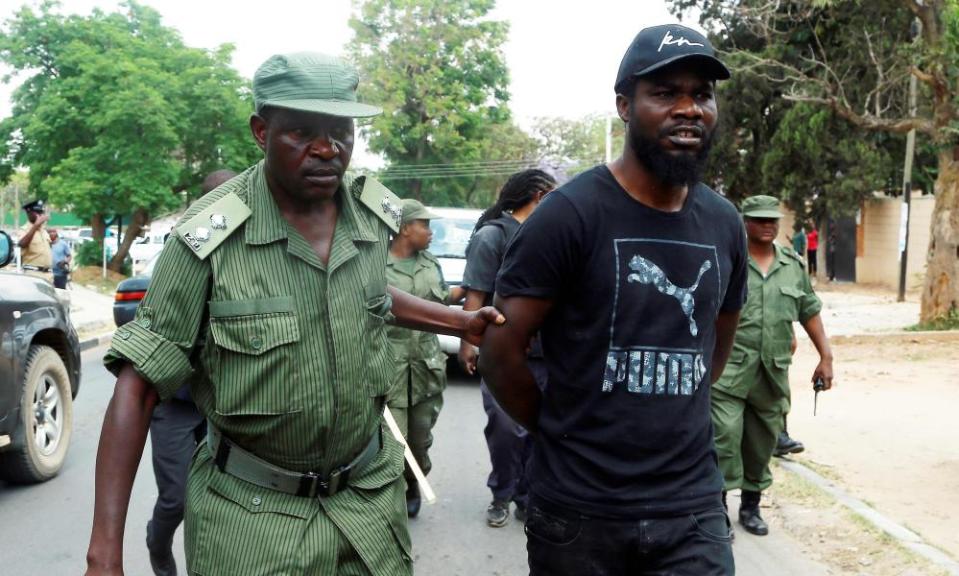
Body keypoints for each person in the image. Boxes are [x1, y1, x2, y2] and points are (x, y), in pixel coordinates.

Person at [84, 52, 503, 576]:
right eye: (302, 131)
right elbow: (140, 382)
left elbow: (370, 294)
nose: (327, 149)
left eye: (340, 131)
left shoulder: (372, 212)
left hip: (369, 505)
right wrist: (104, 553)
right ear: (262, 131)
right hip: (251, 520)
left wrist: (458, 321)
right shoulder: (211, 235)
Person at [479, 24, 744, 575]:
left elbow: (712, 351)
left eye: (701, 93)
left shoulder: (724, 222)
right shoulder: (568, 216)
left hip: (692, 510)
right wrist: (565, 431)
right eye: (666, 93)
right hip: (579, 514)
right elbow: (502, 355)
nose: (689, 108)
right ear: (625, 105)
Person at [711, 195, 834, 536]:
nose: (767, 225)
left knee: (761, 441)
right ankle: (717, 508)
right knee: (723, 436)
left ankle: (751, 506)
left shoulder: (792, 265)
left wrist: (826, 356)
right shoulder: (727, 261)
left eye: (772, 220)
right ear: (744, 221)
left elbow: (809, 309)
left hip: (772, 370)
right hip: (728, 370)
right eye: (759, 219)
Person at [143, 169, 235, 576]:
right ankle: (158, 548)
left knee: (225, 499)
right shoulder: (181, 250)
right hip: (178, 401)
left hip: (228, 402)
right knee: (176, 498)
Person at [458, 168, 556, 527]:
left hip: (550, 353)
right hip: (505, 353)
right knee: (505, 429)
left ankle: (527, 496)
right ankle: (501, 492)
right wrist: (469, 345)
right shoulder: (492, 236)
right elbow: (477, 293)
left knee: (540, 429)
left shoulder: (552, 234)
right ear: (539, 196)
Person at [385, 199, 465, 518]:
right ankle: (392, 497)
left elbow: (442, 299)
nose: (431, 232)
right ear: (405, 228)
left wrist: (474, 289)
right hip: (389, 369)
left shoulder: (430, 263)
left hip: (425, 368)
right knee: (393, 443)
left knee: (419, 442)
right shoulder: (376, 264)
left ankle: (413, 481)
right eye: (425, 225)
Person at [18, 199, 53, 282]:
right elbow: (22, 244)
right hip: (33, 274)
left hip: (48, 275)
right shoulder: (24, 229)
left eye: (41, 212)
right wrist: (35, 225)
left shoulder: (43, 230)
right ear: (29, 213)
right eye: (37, 212)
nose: (40, 215)